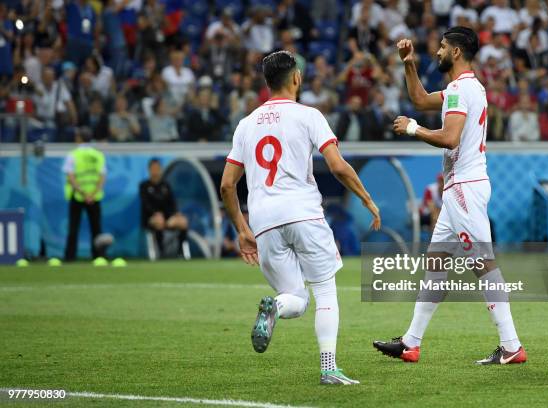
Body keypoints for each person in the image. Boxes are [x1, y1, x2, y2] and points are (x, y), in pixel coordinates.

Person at [220, 51, 380, 385]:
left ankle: (274, 308)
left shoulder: (246, 125)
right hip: (304, 213)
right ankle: (328, 368)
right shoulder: (309, 115)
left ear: (266, 82)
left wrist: (242, 228)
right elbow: (337, 166)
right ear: (296, 78)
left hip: (264, 222)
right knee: (324, 292)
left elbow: (226, 185)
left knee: (295, 297)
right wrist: (366, 198)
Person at [373, 27, 526, 365]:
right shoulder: (469, 88)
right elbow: (420, 99)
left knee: (483, 264)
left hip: (464, 189)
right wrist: (408, 64)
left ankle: (512, 346)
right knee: (436, 264)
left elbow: (450, 137)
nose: (438, 51)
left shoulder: (459, 90)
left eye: (442, 47)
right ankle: (411, 343)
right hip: (460, 188)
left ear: (456, 52)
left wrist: (413, 128)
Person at [63, 131, 106, 261]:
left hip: (77, 196)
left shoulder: (73, 155)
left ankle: (70, 257)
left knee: (73, 228)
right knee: (96, 228)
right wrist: (92, 194)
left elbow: (71, 177)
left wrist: (83, 193)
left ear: (79, 138)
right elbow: (102, 177)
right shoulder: (98, 155)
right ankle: (99, 256)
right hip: (94, 197)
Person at [139, 158, 189, 258]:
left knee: (183, 222)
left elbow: (172, 203)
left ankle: (181, 252)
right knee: (159, 221)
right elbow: (146, 204)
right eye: (153, 168)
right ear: (149, 170)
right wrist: (156, 213)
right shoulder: (144, 186)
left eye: (157, 168)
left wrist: (175, 213)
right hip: (151, 218)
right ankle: (161, 252)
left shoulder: (166, 185)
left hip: (167, 217)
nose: (156, 171)